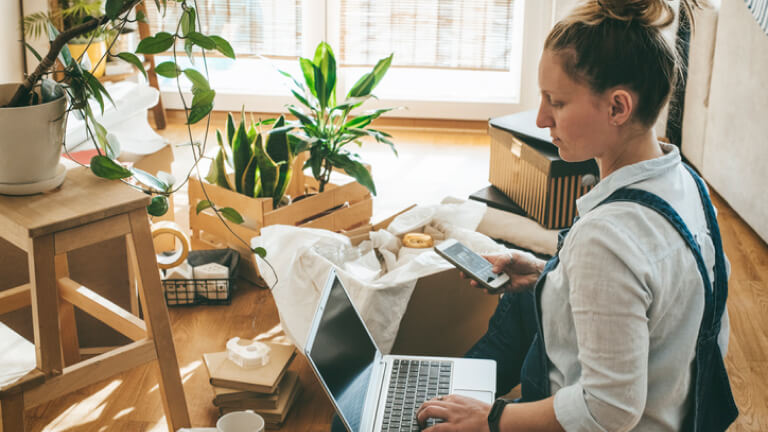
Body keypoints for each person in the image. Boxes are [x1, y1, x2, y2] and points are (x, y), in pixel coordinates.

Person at [416, 0, 738, 431]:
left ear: (618, 108)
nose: (541, 117)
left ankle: (436, 408)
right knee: (525, 297)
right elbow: (653, 296)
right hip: (681, 407)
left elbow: (609, 410)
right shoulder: (687, 184)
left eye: (557, 102)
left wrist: (491, 419)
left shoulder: (606, 239)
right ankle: (446, 397)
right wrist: (547, 271)